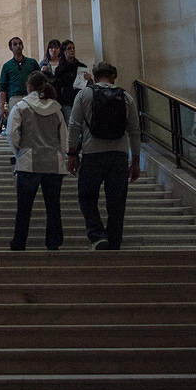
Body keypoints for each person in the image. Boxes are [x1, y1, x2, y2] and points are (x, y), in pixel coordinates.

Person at [66, 61, 142, 251]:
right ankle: (114, 242)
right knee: (117, 202)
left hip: (92, 153)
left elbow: (74, 125)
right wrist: (136, 161)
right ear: (114, 76)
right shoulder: (126, 96)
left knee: (86, 196)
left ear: (94, 74)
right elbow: (134, 130)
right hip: (119, 154)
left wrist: (72, 153)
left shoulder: (85, 94)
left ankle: (98, 236)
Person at [6, 71, 69, 250]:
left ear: (29, 86)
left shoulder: (21, 107)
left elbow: (12, 134)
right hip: (53, 163)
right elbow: (64, 137)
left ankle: (19, 242)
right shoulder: (56, 109)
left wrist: (19, 152)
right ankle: (53, 242)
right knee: (53, 207)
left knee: (24, 208)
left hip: (29, 162)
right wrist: (62, 154)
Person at [0, 37, 41, 122]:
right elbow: (3, 87)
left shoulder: (32, 63)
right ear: (10, 48)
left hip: (31, 97)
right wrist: (2, 105)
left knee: (32, 123)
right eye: (15, 44)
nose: (18, 46)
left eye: (20, 43)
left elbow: (40, 80)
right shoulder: (7, 66)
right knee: (15, 124)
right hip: (14, 98)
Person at [53, 39, 92, 123]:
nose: (72, 50)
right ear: (64, 51)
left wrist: (89, 80)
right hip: (67, 102)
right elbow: (57, 88)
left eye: (73, 48)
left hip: (80, 100)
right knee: (71, 125)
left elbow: (88, 86)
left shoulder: (81, 66)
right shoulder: (60, 69)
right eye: (69, 49)